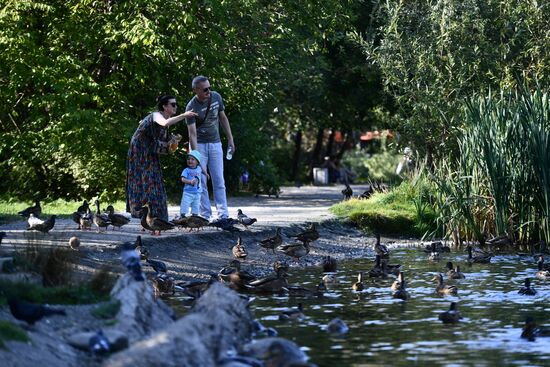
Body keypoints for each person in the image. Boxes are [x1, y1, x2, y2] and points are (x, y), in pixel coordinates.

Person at [126, 95, 197, 220]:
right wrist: (185, 115)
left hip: (150, 153)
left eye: (176, 104)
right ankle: (144, 213)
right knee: (144, 181)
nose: (175, 107)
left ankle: (156, 215)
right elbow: (165, 122)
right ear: (164, 106)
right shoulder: (156, 115)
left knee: (155, 181)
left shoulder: (166, 127)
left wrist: (173, 143)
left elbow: (164, 148)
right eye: (173, 104)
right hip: (139, 153)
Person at [185, 75, 235, 223]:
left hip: (215, 143)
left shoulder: (216, 97)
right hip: (198, 144)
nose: (209, 91)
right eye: (205, 89)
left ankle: (223, 215)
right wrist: (196, 157)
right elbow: (192, 134)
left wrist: (230, 139)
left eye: (209, 88)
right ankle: (205, 215)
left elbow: (223, 118)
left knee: (219, 179)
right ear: (196, 90)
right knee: (201, 179)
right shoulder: (191, 107)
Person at [179, 150, 203, 217]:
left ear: (197, 162)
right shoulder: (186, 170)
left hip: (197, 192)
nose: (190, 161)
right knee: (185, 205)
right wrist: (189, 182)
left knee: (196, 205)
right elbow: (182, 179)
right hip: (188, 192)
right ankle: (182, 216)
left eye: (192, 159)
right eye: (188, 159)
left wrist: (206, 174)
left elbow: (202, 170)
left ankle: (194, 217)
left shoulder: (199, 168)